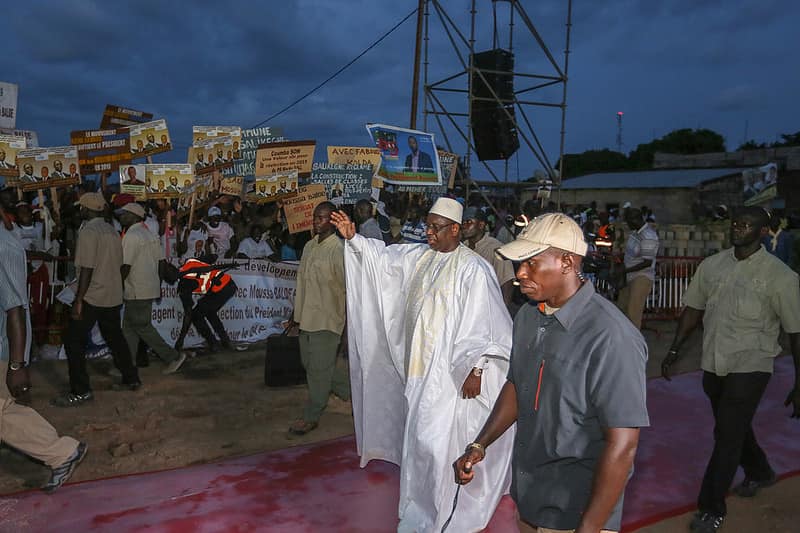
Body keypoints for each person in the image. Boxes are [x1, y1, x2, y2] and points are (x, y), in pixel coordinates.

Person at [453, 212, 649, 533]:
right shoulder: (528, 317)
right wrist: (480, 444)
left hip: (577, 509)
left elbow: (623, 446)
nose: (520, 274)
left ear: (568, 263)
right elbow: (518, 384)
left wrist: (589, 528)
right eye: (519, 263)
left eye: (531, 262)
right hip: (531, 497)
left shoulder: (611, 336)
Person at [330, 198, 515, 533]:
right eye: (428, 226)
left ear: (456, 229)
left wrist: (477, 369)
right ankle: (419, 503)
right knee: (419, 440)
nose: (428, 233)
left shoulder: (474, 269)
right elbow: (382, 260)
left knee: (435, 440)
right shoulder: (419, 257)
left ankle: (441, 508)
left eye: (436, 228)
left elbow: (488, 324)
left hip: (451, 376)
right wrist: (353, 238)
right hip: (418, 372)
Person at [662, 207, 800, 533]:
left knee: (726, 433)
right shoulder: (712, 266)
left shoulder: (781, 277)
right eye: (736, 223)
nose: (739, 228)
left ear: (763, 231)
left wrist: (799, 380)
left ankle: (711, 508)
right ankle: (761, 471)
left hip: (752, 364)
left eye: (748, 224)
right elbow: (693, 310)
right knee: (733, 426)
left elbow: (796, 332)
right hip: (714, 362)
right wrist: (673, 350)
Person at [0, 210, 88, 492]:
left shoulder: (1, 245)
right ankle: (61, 452)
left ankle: (61, 452)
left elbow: (14, 307)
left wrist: (16, 365)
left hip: (2, 347)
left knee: (3, 412)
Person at [53, 193, 141, 407]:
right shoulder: (111, 230)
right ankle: (131, 378)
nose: (79, 211)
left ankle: (81, 391)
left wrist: (79, 300)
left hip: (93, 295)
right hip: (112, 294)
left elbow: (87, 269)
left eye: (80, 208)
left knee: (74, 341)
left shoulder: (89, 232)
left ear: (86, 210)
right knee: (115, 338)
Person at [286, 202, 349, 436]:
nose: (316, 221)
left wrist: (347, 329)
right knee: (312, 365)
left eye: (321, 218)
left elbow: (348, 289)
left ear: (332, 221)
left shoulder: (339, 249)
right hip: (307, 317)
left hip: (328, 318)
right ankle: (354, 393)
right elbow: (302, 282)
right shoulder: (310, 246)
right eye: (315, 217)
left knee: (318, 371)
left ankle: (311, 415)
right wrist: (295, 314)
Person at [117, 202, 187, 375]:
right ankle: (128, 364)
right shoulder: (150, 234)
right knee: (129, 327)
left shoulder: (132, 236)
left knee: (141, 326)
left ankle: (172, 356)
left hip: (137, 288)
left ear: (134, 216)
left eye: (124, 214)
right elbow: (161, 263)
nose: (121, 217)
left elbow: (125, 266)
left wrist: (116, 286)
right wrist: (158, 285)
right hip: (147, 287)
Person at [174, 256, 237, 352]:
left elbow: (188, 313)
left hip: (222, 288)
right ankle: (224, 341)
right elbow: (213, 257)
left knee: (196, 315)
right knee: (208, 311)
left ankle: (214, 343)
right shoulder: (190, 262)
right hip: (228, 285)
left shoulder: (184, 285)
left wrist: (181, 339)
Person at [461, 206, 515, 308]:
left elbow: (507, 282)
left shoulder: (496, 248)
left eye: (469, 222)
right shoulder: (462, 247)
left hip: (487, 307)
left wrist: (503, 312)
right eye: (463, 223)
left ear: (481, 225)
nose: (464, 226)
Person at [616, 207, 659, 329]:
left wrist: (624, 270)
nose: (627, 224)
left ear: (635, 220)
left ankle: (634, 344)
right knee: (621, 310)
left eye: (628, 221)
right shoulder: (635, 233)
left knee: (633, 312)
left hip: (642, 277)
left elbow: (647, 262)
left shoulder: (649, 236)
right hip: (630, 276)